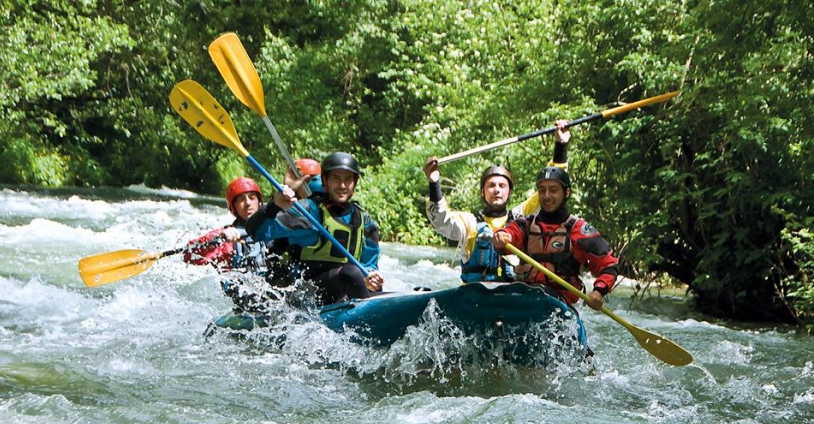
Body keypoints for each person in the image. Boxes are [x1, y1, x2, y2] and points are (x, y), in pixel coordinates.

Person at [422, 120, 572, 283]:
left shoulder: (521, 218)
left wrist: (561, 146)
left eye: (502, 185)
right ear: (483, 191)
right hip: (476, 296)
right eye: (491, 185)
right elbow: (440, 220)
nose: (496, 190)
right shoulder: (469, 223)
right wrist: (434, 183)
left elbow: (552, 184)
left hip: (512, 293)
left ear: (510, 192)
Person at [246, 152, 385, 305]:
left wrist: (371, 275)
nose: (342, 185)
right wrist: (274, 205)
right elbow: (255, 231)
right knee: (351, 273)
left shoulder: (364, 221)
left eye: (347, 179)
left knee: (369, 283)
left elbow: (369, 264)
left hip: (345, 292)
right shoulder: (309, 212)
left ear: (354, 183)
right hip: (308, 294)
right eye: (336, 178)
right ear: (324, 180)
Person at [491, 166, 619, 311]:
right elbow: (508, 235)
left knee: (541, 296)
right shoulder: (525, 225)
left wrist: (599, 290)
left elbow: (609, 264)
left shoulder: (579, 231)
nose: (546, 196)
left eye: (553, 190)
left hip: (558, 305)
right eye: (542, 190)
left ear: (567, 192)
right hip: (524, 297)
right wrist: (501, 236)